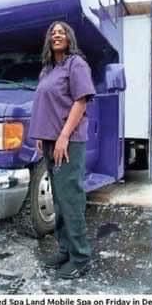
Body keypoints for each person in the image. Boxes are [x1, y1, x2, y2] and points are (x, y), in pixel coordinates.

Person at [28, 21, 96, 279]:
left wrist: (63, 136)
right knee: (58, 200)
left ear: (69, 38)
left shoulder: (75, 64)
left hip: (68, 141)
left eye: (62, 31)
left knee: (70, 199)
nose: (57, 35)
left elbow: (80, 101)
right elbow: (45, 105)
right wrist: (42, 135)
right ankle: (65, 250)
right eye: (53, 32)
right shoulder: (47, 70)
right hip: (49, 141)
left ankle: (80, 257)